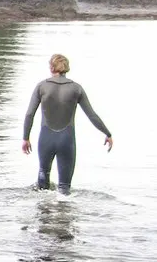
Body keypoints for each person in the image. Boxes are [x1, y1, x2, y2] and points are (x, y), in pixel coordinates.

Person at [22, 53, 113, 194]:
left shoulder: (41, 86)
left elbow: (29, 115)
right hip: (67, 140)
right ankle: (65, 212)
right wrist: (107, 133)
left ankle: (42, 213)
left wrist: (25, 138)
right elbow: (92, 115)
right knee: (64, 188)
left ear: (52, 68)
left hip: (46, 139)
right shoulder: (76, 88)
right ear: (66, 68)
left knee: (43, 180)